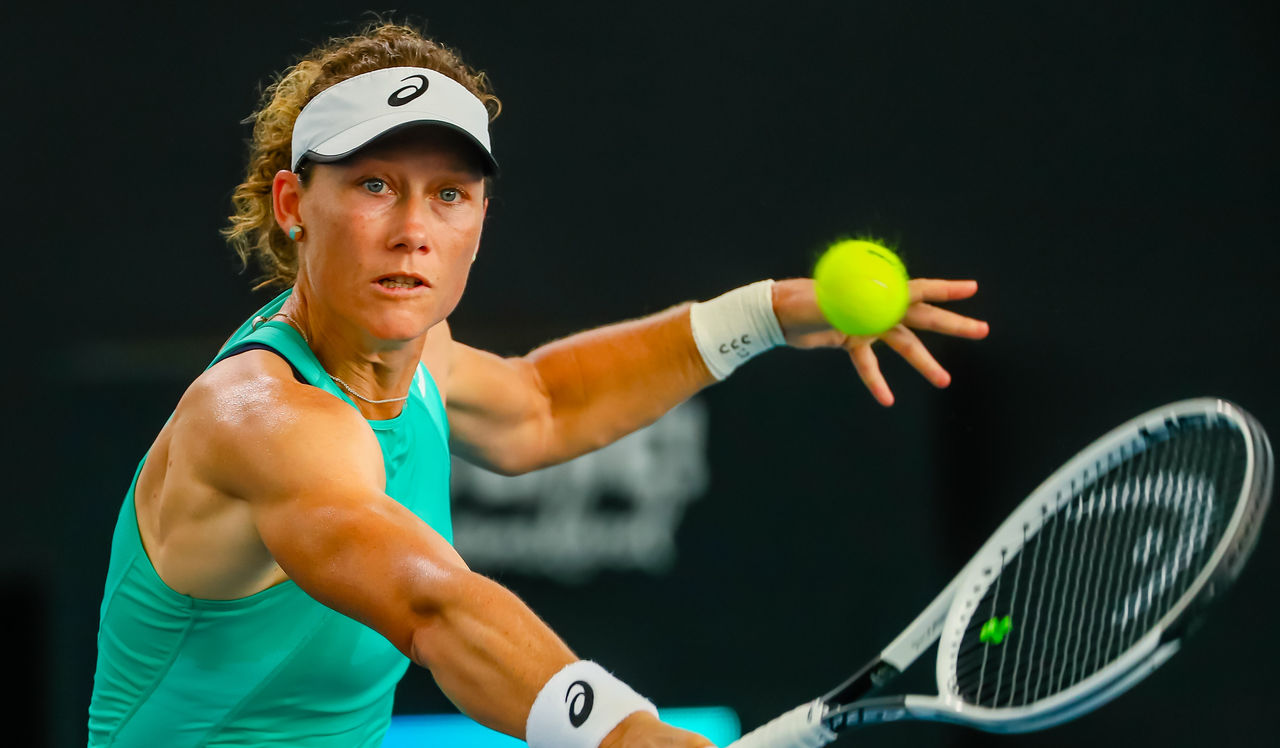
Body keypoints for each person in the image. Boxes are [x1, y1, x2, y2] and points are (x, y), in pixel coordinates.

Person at [87, 21, 989, 748]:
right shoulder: (261, 417)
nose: (413, 229)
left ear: (481, 217)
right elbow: (432, 606)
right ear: (292, 206)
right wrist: (626, 734)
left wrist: (763, 315)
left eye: (449, 194)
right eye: (372, 185)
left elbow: (543, 406)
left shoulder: (422, 360)